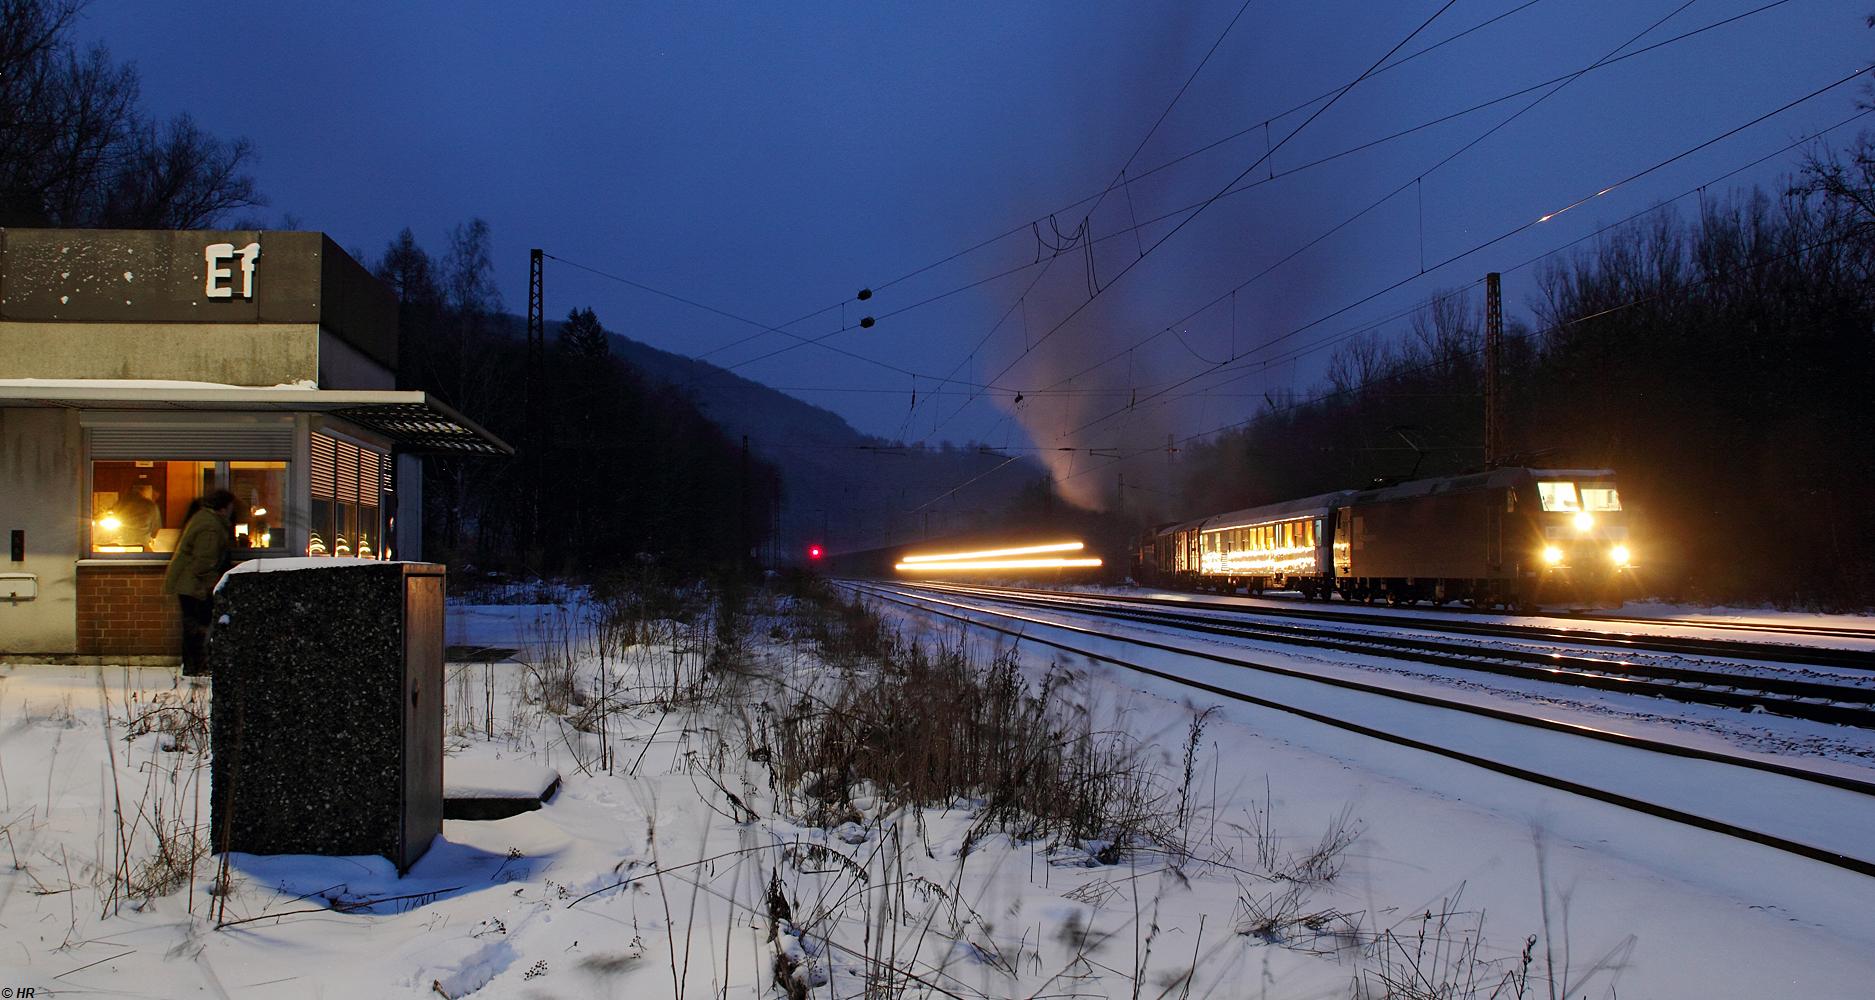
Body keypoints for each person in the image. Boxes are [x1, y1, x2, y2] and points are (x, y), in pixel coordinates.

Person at [163, 489, 238, 676]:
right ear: (223, 507)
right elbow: (204, 560)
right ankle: (196, 666)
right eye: (230, 507)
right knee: (197, 626)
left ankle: (193, 665)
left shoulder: (204, 518)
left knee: (193, 625)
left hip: (189, 582)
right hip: (194, 585)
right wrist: (210, 583)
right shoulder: (211, 526)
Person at [111, 484, 162, 549]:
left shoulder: (119, 504)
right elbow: (156, 532)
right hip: (142, 547)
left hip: (123, 546)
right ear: (148, 490)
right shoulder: (150, 506)